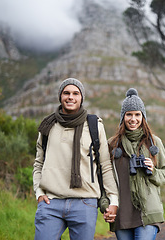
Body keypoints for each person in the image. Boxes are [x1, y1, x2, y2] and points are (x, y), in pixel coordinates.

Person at [32, 78, 118, 240]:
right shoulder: (47, 126)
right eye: (66, 93)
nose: (70, 97)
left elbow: (105, 165)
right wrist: (38, 191)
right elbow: (38, 163)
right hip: (51, 203)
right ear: (60, 97)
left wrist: (113, 199)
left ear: (81, 98)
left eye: (75, 93)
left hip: (85, 203)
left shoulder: (94, 125)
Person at [107, 88, 165, 240]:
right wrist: (106, 204)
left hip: (149, 210)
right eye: (129, 114)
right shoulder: (112, 144)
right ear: (122, 117)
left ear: (143, 117)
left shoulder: (154, 142)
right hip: (122, 212)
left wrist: (154, 171)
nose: (133, 119)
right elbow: (105, 178)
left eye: (137, 114)